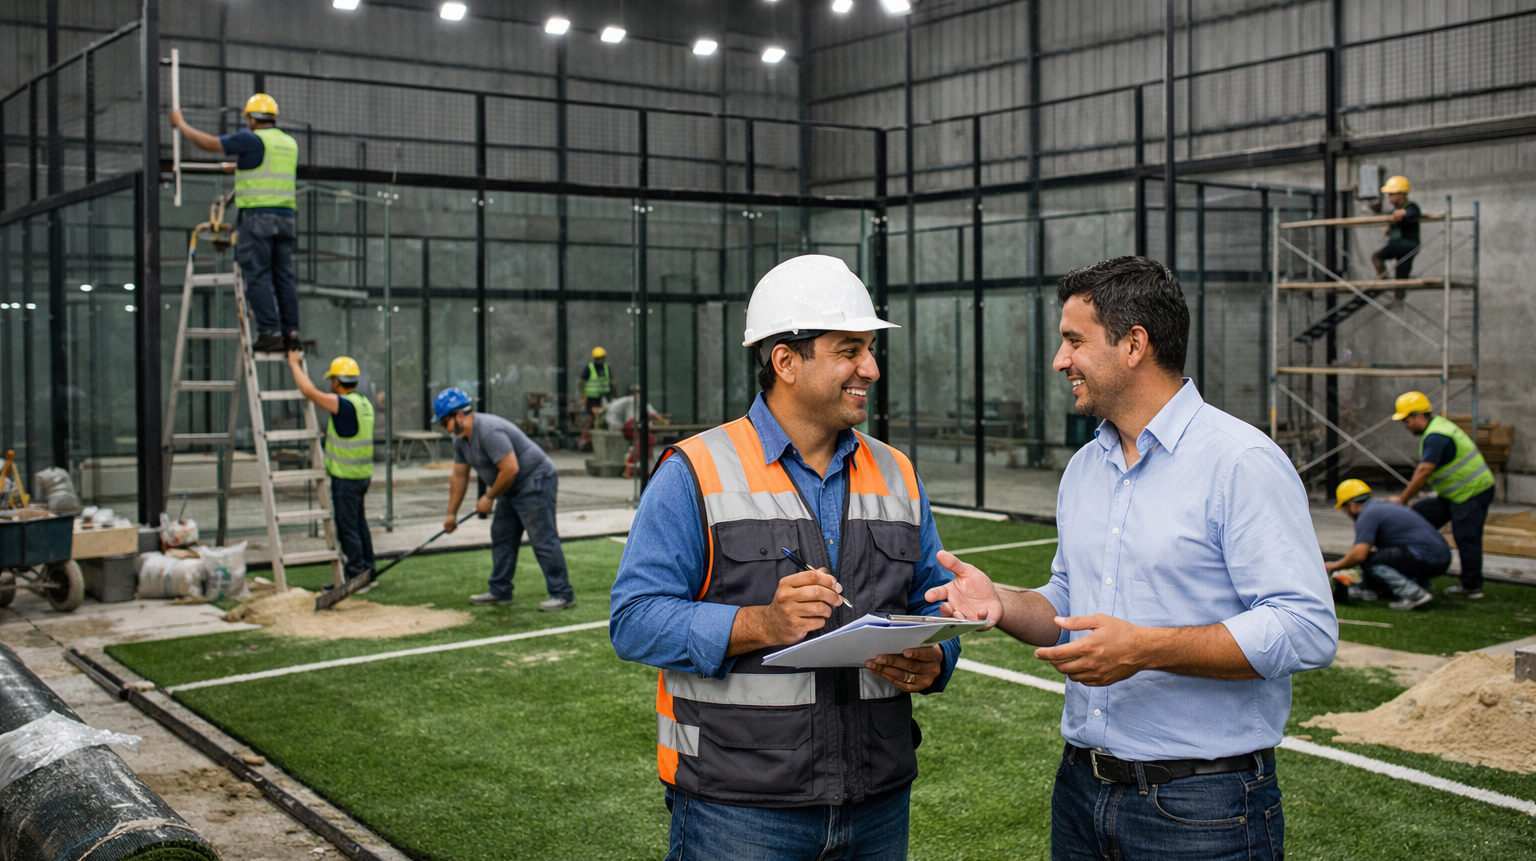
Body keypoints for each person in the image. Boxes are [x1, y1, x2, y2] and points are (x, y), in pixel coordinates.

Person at [925, 256, 1337, 861]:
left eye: (1074, 341)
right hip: (1081, 792)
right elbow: (1067, 602)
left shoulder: (1241, 462)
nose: (1061, 360)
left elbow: (1306, 629)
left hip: (1205, 808)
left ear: (1134, 344)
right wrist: (1002, 604)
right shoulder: (1086, 467)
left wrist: (1145, 648)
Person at [610, 254, 962, 860]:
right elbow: (634, 620)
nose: (871, 369)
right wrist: (758, 624)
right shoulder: (694, 471)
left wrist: (938, 658)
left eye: (870, 350)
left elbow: (935, 602)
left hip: (877, 801)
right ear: (786, 361)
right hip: (738, 809)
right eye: (850, 350)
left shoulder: (897, 471)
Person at [171, 94, 300, 353]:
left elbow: (209, 144)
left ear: (252, 118)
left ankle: (269, 332)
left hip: (258, 218)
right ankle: (290, 330)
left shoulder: (250, 139)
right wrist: (241, 166)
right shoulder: (289, 143)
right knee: (284, 276)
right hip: (286, 218)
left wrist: (181, 125)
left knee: (257, 273)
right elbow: (266, 168)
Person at [432, 387, 575, 611]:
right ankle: (500, 590)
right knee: (502, 535)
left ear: (459, 415)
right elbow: (459, 475)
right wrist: (451, 514)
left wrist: (489, 497)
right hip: (510, 486)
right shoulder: (460, 440)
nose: (444, 428)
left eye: (444, 422)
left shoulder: (488, 431)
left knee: (542, 538)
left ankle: (562, 593)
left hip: (534, 479)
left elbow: (510, 468)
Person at [1388, 391, 1496, 599]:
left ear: (1419, 416)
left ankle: (1472, 586)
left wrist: (1402, 500)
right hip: (1456, 493)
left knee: (1466, 536)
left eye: (1407, 421)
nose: (1406, 426)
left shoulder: (1436, 435)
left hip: (1471, 492)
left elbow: (1424, 470)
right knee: (1420, 515)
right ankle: (1416, 567)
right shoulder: (1436, 429)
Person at [287, 353, 376, 587]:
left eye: (332, 380)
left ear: (337, 380)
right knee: (359, 525)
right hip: (362, 475)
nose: (330, 384)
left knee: (348, 527)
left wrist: (293, 363)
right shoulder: (364, 403)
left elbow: (309, 391)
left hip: (345, 478)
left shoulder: (343, 403)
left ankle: (356, 576)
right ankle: (367, 571)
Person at [1325, 479, 1448, 611]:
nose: (1347, 513)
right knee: (1386, 556)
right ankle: (1423, 588)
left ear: (1352, 504)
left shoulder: (1368, 515)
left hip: (1425, 556)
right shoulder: (1383, 507)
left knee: (1371, 560)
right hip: (1441, 555)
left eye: (1346, 508)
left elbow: (1359, 555)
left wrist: (1333, 566)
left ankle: (1413, 593)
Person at [604, 384, 668, 478]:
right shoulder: (631, 400)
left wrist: (662, 421)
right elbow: (636, 418)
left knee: (647, 439)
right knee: (646, 439)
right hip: (624, 427)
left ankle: (643, 469)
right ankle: (632, 469)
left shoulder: (634, 401)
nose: (637, 394)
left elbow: (650, 414)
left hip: (627, 426)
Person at [1371, 175, 1421, 279]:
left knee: (1400, 279)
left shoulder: (1410, 206)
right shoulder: (1394, 210)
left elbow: (1413, 212)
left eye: (1391, 194)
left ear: (1401, 194)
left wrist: (1402, 213)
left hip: (1407, 246)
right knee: (1376, 257)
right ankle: (1383, 279)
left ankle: (1397, 292)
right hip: (1396, 245)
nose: (1389, 197)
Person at [577, 346, 615, 452]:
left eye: (602, 358)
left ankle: (599, 442)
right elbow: (581, 382)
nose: (600, 361)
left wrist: (612, 395)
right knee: (589, 419)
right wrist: (583, 396)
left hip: (604, 397)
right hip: (592, 397)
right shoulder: (589, 368)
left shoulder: (606, 368)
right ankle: (583, 440)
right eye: (598, 358)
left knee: (604, 418)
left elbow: (610, 382)